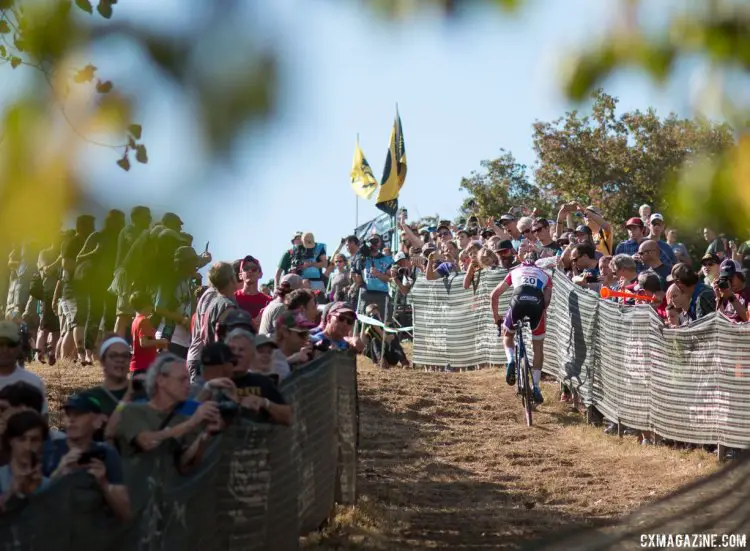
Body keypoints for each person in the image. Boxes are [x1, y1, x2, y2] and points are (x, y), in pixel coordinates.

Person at [44, 395, 131, 521]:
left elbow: (125, 513)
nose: (71, 420)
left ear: (96, 422)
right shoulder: (49, 450)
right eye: (68, 414)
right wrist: (59, 473)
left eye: (78, 414)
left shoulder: (105, 453)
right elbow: (33, 501)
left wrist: (103, 482)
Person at [490, 252, 552, 404]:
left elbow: (494, 295)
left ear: (522, 261)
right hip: (537, 304)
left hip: (518, 302)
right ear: (536, 263)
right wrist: (540, 312)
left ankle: (511, 360)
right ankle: (536, 386)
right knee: (538, 347)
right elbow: (547, 300)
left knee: (508, 334)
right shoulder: (545, 275)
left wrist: (496, 317)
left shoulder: (515, 271)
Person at [0, 410, 50, 509]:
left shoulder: (49, 485)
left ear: (42, 443)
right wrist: (12, 492)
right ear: (10, 441)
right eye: (21, 439)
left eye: (34, 440)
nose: (27, 447)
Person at [0, 321, 48, 415]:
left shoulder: (33, 382)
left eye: (11, 344)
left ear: (19, 346)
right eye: (0, 343)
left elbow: (42, 419)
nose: (5, 349)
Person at [129, 291, 168, 374]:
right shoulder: (144, 321)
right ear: (146, 305)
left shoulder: (135, 321)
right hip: (143, 367)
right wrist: (162, 341)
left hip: (136, 366)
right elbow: (144, 343)